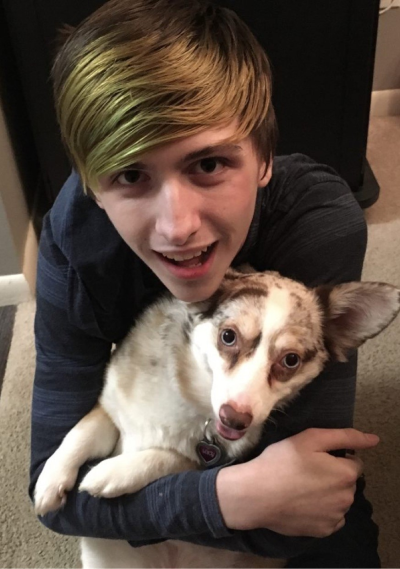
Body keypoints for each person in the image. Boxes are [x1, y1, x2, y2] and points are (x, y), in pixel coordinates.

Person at [29, 0, 381, 566]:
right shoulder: (73, 246)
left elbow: (308, 502)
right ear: (91, 186)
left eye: (209, 164)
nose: (178, 228)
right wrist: (223, 498)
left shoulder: (316, 221)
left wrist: (257, 496)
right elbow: (53, 500)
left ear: (264, 159)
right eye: (131, 174)